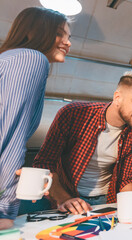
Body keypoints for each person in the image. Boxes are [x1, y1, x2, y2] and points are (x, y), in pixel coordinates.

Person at [32, 71, 132, 215]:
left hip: (106, 201)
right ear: (117, 98)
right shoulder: (73, 114)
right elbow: (44, 163)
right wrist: (65, 199)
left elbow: (125, 181)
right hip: (65, 194)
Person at [0, 7, 71, 230]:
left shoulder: (11, 58)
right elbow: (10, 136)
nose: (68, 43)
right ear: (35, 31)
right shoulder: (31, 59)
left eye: (69, 37)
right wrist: (5, 207)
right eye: (60, 33)